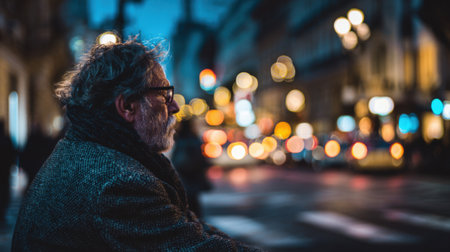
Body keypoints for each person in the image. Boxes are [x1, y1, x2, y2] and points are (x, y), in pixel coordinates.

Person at [12, 38, 260, 251]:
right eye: (164, 95)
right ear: (128, 106)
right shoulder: (117, 182)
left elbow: (188, 229)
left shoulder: (86, 151)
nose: (174, 107)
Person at [172, 119, 212, 218]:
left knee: (187, 203)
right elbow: (201, 159)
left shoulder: (178, 139)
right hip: (193, 177)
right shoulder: (194, 140)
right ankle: (197, 224)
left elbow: (175, 158)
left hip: (183, 177)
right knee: (194, 204)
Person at [0, 120, 15, 225]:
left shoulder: (6, 139)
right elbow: (13, 154)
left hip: (4, 172)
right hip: (5, 172)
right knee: (4, 193)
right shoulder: (6, 139)